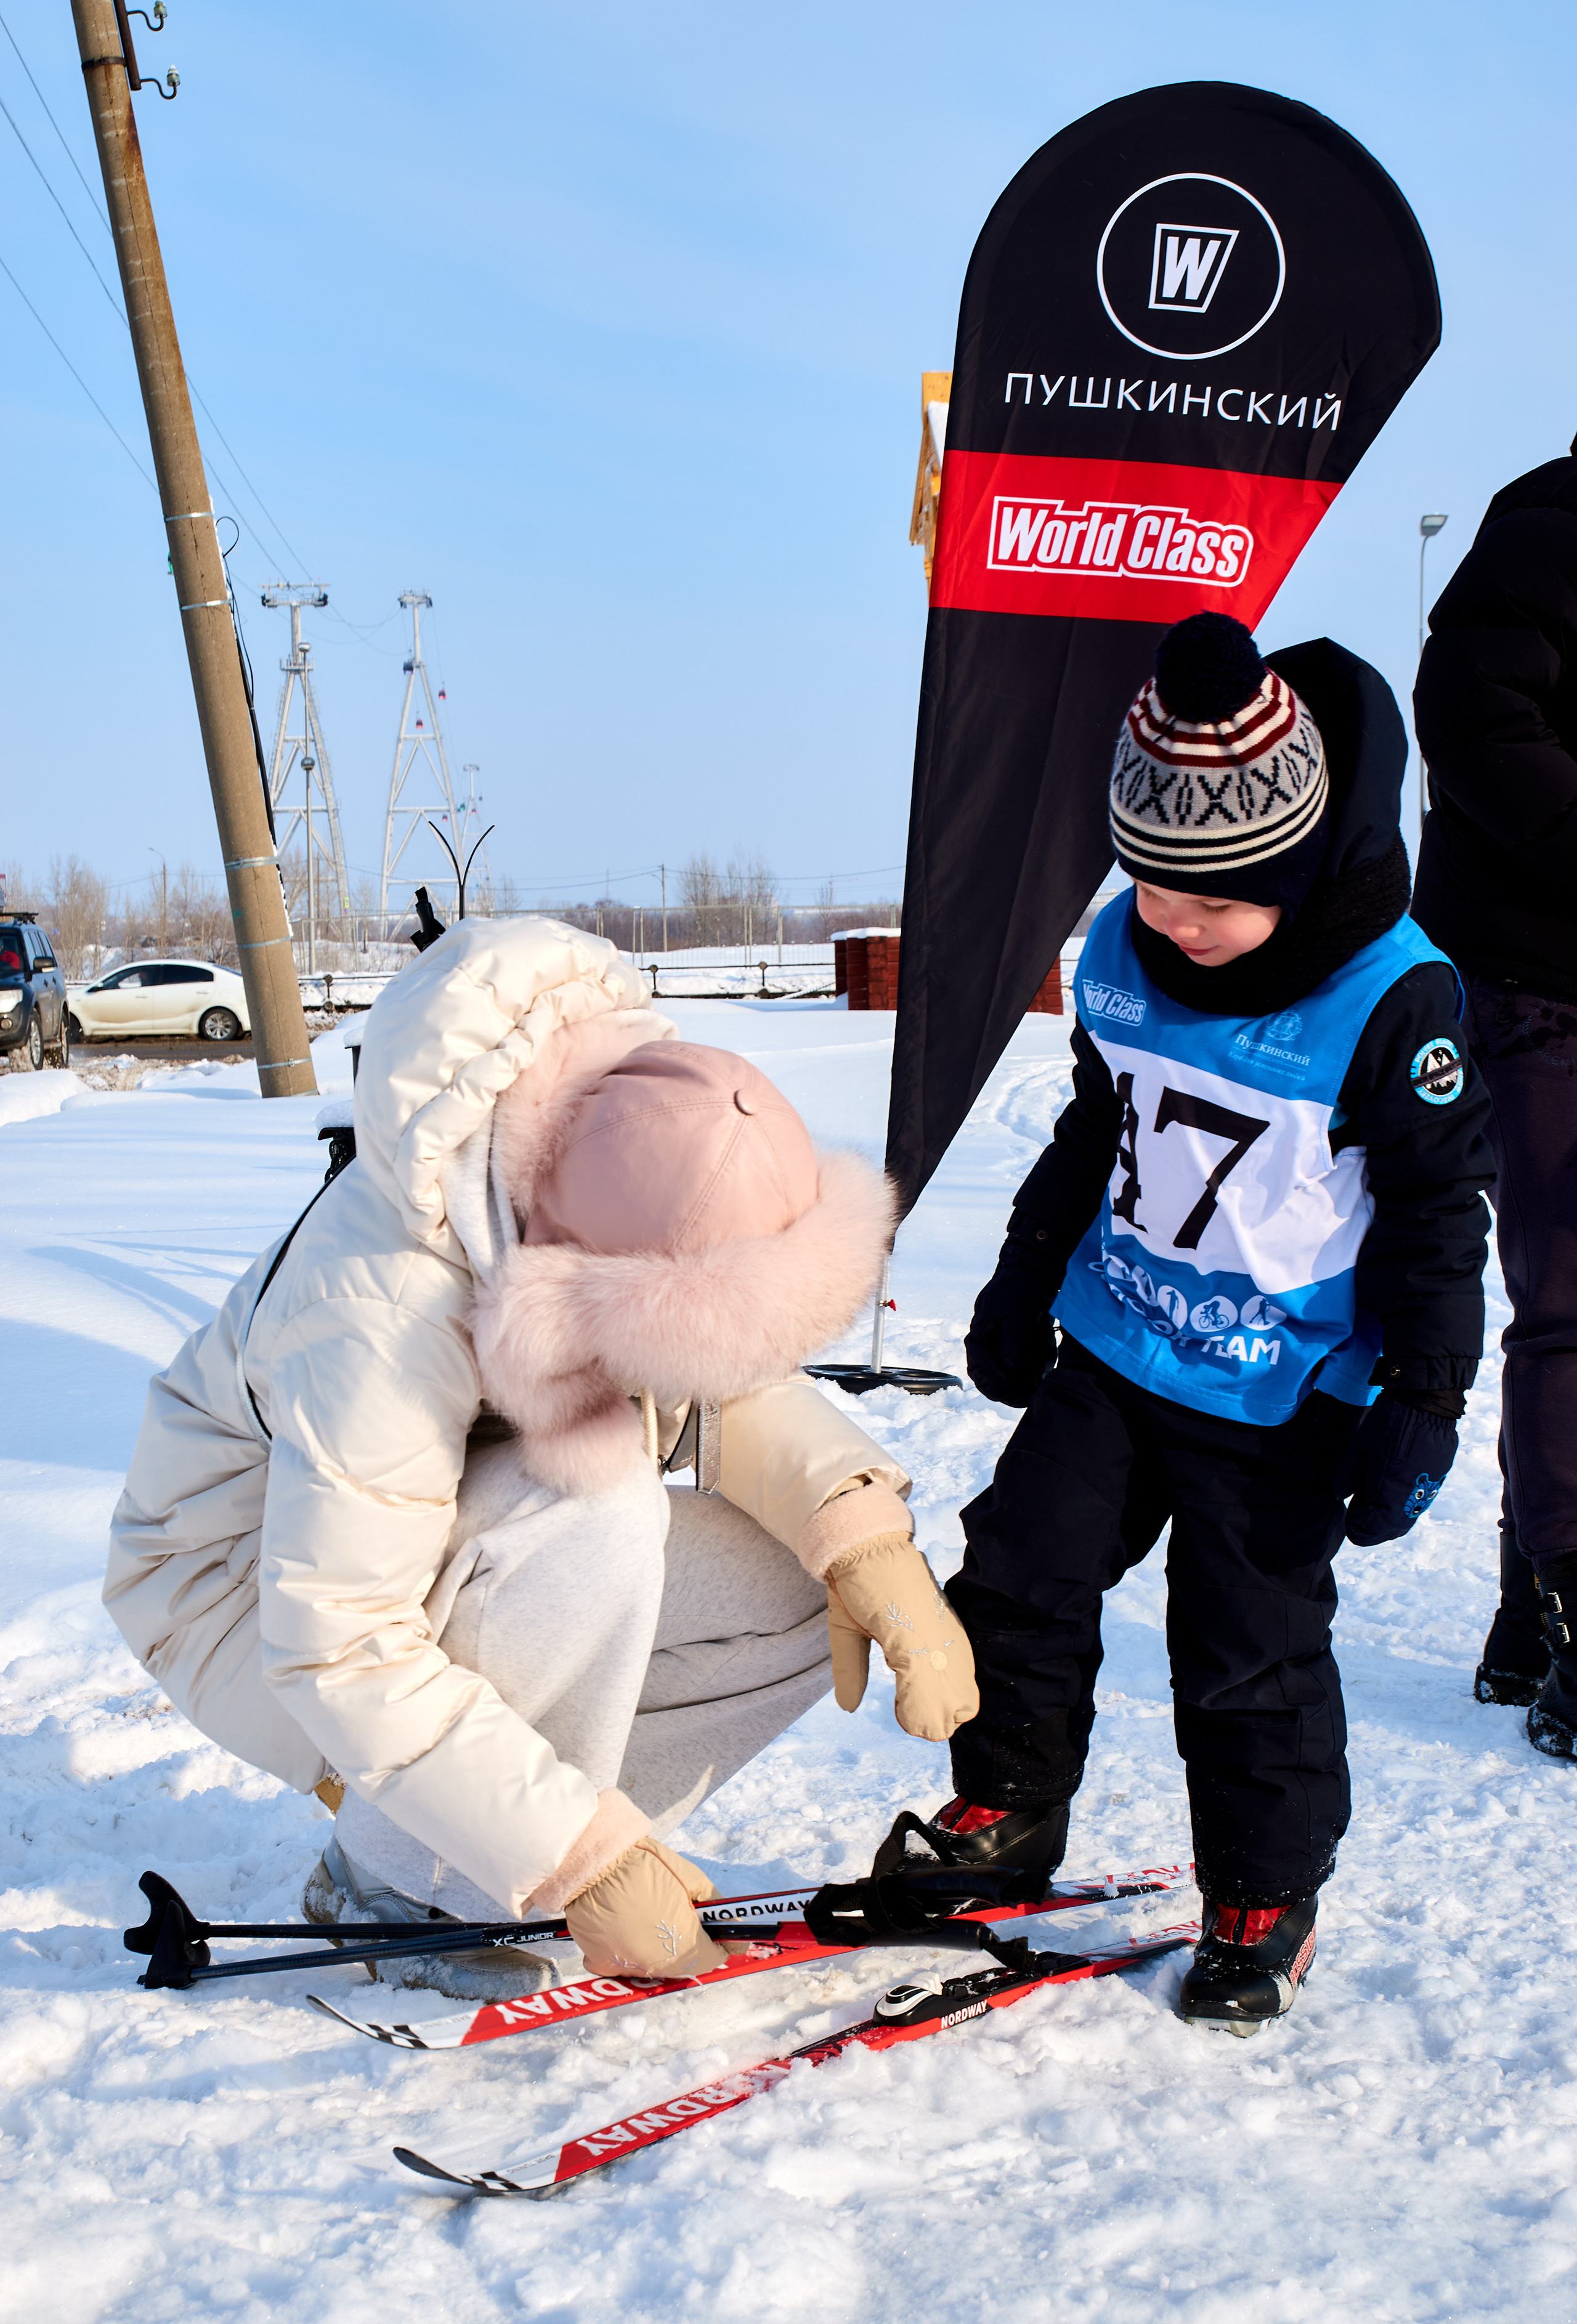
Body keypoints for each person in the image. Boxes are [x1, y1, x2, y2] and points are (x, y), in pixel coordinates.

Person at [103, 920, 978, 1995]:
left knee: (797, 1581)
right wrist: (578, 1857)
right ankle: (397, 1883)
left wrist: (860, 1535)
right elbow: (341, 1637)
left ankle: (509, 1851)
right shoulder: (379, 1315)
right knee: (597, 1508)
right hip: (243, 1592)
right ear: (586, 1279)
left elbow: (714, 1382)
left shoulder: (606, 1158)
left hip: (420, 1552)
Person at [882, 612, 1493, 2034]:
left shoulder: (1389, 999)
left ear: (1295, 864)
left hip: (1279, 1393)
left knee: (1242, 1649)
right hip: (1117, 1345)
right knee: (1016, 1568)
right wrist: (1023, 1277)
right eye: (1149, 884)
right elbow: (1093, 1127)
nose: (1172, 920)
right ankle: (1006, 1808)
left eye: (1210, 899)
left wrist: (1421, 1397)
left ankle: (1263, 1897)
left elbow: (1433, 1215)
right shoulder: (1122, 947)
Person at [1413, 444, 1577, 1746]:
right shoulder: (1551, 527)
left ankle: (1531, 1606)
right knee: (1567, 1300)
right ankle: (1567, 1606)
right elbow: (1471, 712)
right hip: (1535, 978)